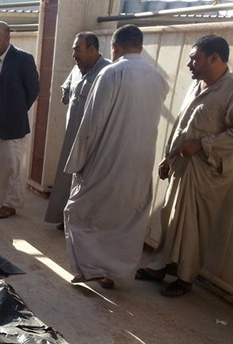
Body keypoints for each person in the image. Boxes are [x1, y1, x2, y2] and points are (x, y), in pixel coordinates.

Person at [64, 24, 168, 289]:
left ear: (115, 47)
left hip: (107, 160)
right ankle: (114, 272)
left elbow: (92, 124)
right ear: (140, 46)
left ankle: (89, 268)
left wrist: (78, 163)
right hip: (140, 163)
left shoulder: (111, 73)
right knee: (126, 222)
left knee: (78, 212)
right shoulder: (157, 78)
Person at [137, 35, 233, 297]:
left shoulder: (230, 89)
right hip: (182, 165)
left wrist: (202, 144)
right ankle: (158, 267)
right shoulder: (197, 84)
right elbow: (181, 124)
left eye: (195, 58)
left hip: (207, 173)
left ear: (215, 58)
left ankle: (185, 277)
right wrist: (168, 157)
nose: (190, 63)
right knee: (170, 217)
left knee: (194, 227)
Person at [44, 32, 110, 230]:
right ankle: (67, 219)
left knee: (88, 183)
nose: (73, 54)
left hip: (94, 141)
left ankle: (82, 223)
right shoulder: (76, 69)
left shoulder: (107, 72)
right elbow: (66, 91)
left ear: (92, 49)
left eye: (77, 49)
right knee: (68, 180)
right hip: (72, 137)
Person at [0, 21, 39, 219]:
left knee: (12, 164)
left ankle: (10, 203)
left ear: (8, 39)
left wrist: (16, 111)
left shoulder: (22, 59)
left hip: (12, 124)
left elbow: (33, 90)